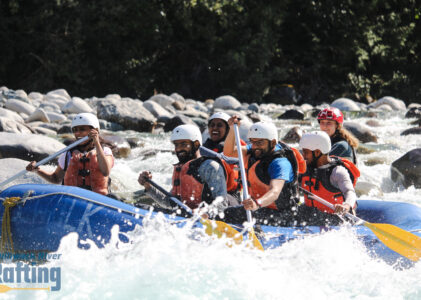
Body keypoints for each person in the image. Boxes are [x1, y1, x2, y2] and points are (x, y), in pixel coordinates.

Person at [138, 124, 237, 218]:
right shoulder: (181, 168)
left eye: (184, 144)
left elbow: (222, 204)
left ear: (196, 144)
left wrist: (204, 212)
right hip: (187, 216)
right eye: (176, 145)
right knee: (139, 207)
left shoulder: (210, 167)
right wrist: (148, 187)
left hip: (210, 221)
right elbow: (170, 203)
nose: (178, 149)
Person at [222, 117, 301, 226]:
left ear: (272, 143)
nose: (255, 147)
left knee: (232, 215)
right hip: (260, 209)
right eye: (252, 142)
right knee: (223, 213)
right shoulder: (254, 150)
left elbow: (275, 192)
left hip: (282, 215)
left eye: (259, 143)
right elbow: (228, 153)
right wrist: (232, 129)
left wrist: (257, 203)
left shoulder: (280, 163)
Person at [26, 113, 114, 196]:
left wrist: (97, 142)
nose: (77, 133)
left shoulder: (105, 151)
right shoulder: (68, 154)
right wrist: (37, 170)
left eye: (82, 129)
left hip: (99, 199)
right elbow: (56, 178)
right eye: (75, 130)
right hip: (73, 197)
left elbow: (105, 171)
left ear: (95, 130)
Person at [299, 131, 360, 216]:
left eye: (306, 152)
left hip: (335, 218)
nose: (303, 156)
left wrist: (346, 206)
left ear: (317, 152)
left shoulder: (337, 171)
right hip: (311, 215)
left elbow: (349, 192)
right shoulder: (305, 168)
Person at [201, 112, 246, 199]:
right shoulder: (204, 147)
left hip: (230, 195)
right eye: (212, 125)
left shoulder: (236, 148)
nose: (215, 128)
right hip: (205, 192)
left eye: (219, 125)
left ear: (227, 129)